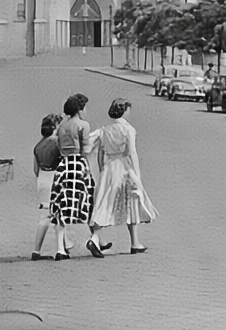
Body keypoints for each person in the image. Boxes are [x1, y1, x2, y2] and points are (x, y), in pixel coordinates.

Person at [90, 99, 157, 255]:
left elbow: (100, 153)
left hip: (109, 167)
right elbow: (132, 152)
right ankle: (132, 242)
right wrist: (137, 174)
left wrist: (102, 169)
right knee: (131, 201)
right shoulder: (128, 130)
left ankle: (100, 237)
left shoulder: (105, 129)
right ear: (124, 111)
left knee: (104, 202)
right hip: (124, 167)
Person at [51, 94, 100, 260]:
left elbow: (57, 146)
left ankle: (60, 248)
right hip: (77, 164)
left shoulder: (62, 126)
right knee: (89, 200)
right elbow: (85, 150)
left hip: (63, 165)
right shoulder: (83, 125)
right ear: (79, 109)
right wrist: (87, 168)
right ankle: (95, 238)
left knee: (61, 205)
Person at [31, 114, 63, 260]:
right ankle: (60, 249)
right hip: (54, 177)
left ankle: (38, 250)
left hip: (42, 179)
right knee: (57, 215)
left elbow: (35, 169)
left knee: (46, 215)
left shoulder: (38, 145)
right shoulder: (57, 143)